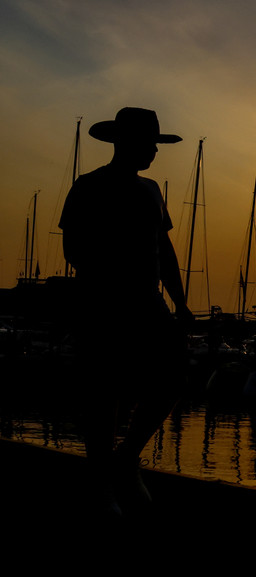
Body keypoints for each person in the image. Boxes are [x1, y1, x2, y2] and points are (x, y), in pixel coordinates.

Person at [59, 107, 192, 516]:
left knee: (173, 374)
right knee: (104, 389)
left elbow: (164, 250)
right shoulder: (88, 186)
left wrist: (179, 300)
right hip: (102, 299)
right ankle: (101, 480)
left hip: (148, 299)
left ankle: (126, 456)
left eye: (155, 144)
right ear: (124, 143)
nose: (153, 151)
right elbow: (73, 249)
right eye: (148, 144)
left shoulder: (152, 190)